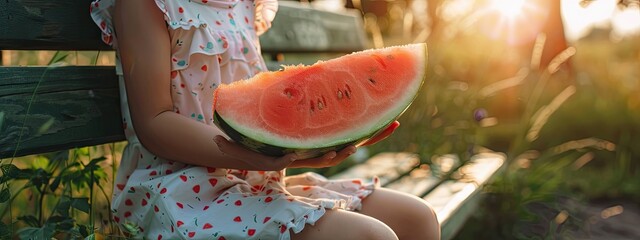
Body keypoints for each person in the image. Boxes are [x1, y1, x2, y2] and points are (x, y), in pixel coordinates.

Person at [90, 0, 440, 239]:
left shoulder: (246, 4)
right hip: (180, 193)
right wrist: (247, 155)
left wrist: (313, 142)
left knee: (418, 218)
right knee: (373, 238)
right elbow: (154, 122)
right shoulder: (145, 5)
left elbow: (263, 110)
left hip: (261, 182)